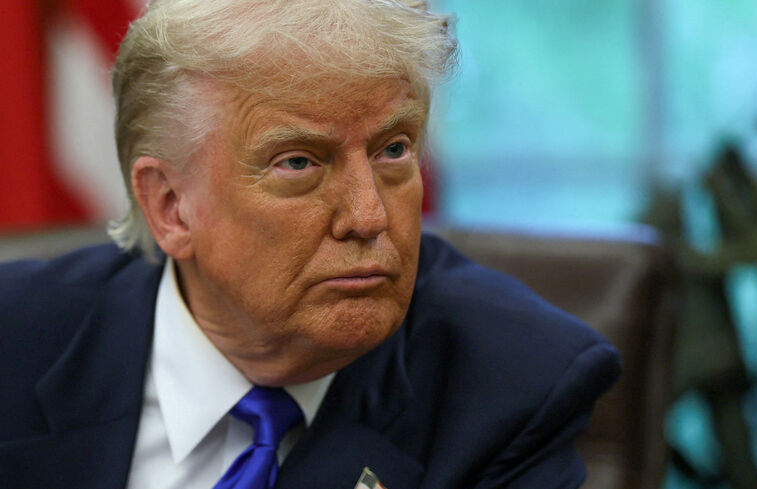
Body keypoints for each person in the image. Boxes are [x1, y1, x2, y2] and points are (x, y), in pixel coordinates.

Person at [0, 1, 620, 488]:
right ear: (170, 206)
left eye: (394, 150)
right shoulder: (16, 343)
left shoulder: (512, 384)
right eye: (298, 162)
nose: (369, 216)